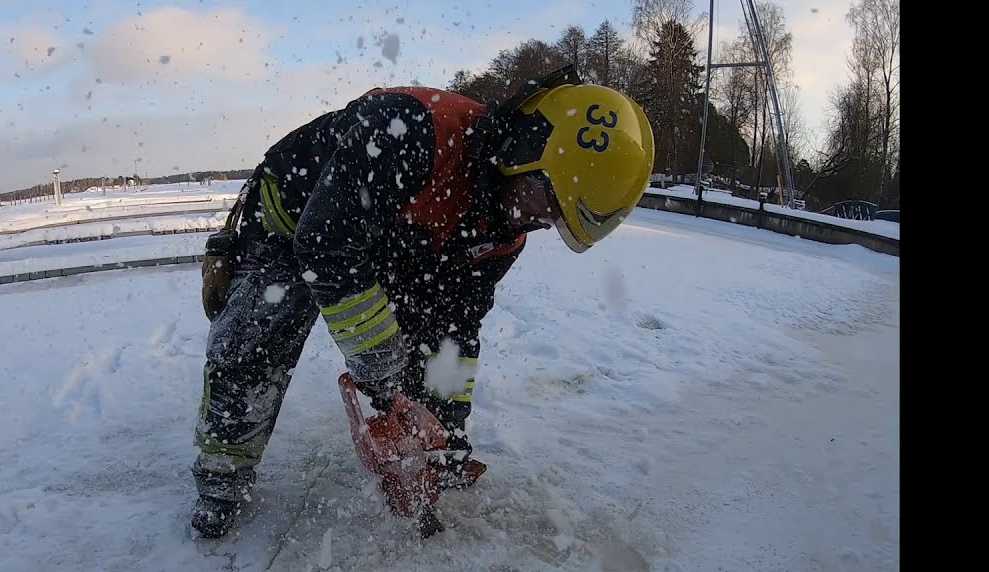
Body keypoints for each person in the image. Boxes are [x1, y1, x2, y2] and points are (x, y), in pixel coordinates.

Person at [191, 65, 655, 538]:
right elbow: (326, 244)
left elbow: (455, 332)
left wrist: (445, 436)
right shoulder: (415, 133)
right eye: (544, 200)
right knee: (257, 344)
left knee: (423, 327)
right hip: (289, 220)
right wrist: (378, 363)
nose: (536, 221)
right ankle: (222, 479)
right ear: (524, 151)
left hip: (386, 241)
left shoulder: (501, 235)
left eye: (554, 219)